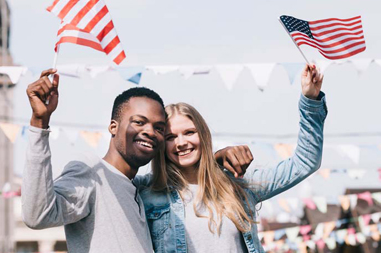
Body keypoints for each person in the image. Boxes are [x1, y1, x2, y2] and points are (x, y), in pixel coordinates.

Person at [22, 69, 252, 253]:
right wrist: (39, 123)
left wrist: (212, 161)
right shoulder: (91, 172)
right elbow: (38, 215)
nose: (150, 132)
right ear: (113, 126)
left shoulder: (139, 188)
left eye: (159, 127)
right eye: (139, 122)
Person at [137, 64, 327, 253]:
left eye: (189, 132)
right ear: (161, 143)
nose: (181, 143)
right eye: (171, 137)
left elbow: (305, 162)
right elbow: (111, 179)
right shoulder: (146, 191)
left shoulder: (239, 185)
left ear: (203, 135)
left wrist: (310, 100)